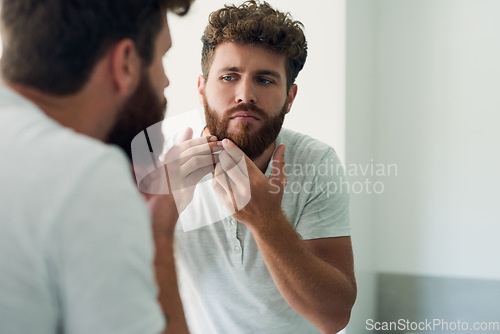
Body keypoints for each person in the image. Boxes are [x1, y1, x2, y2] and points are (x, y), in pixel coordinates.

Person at [0, 1, 201, 333]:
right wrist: (159, 237)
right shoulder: (88, 177)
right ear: (124, 63)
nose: (165, 82)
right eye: (162, 58)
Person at [165, 1, 357, 333]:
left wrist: (267, 221)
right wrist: (164, 209)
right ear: (201, 88)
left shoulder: (316, 162)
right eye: (229, 76)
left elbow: (334, 318)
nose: (245, 95)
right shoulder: (162, 156)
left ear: (290, 97)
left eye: (265, 80)